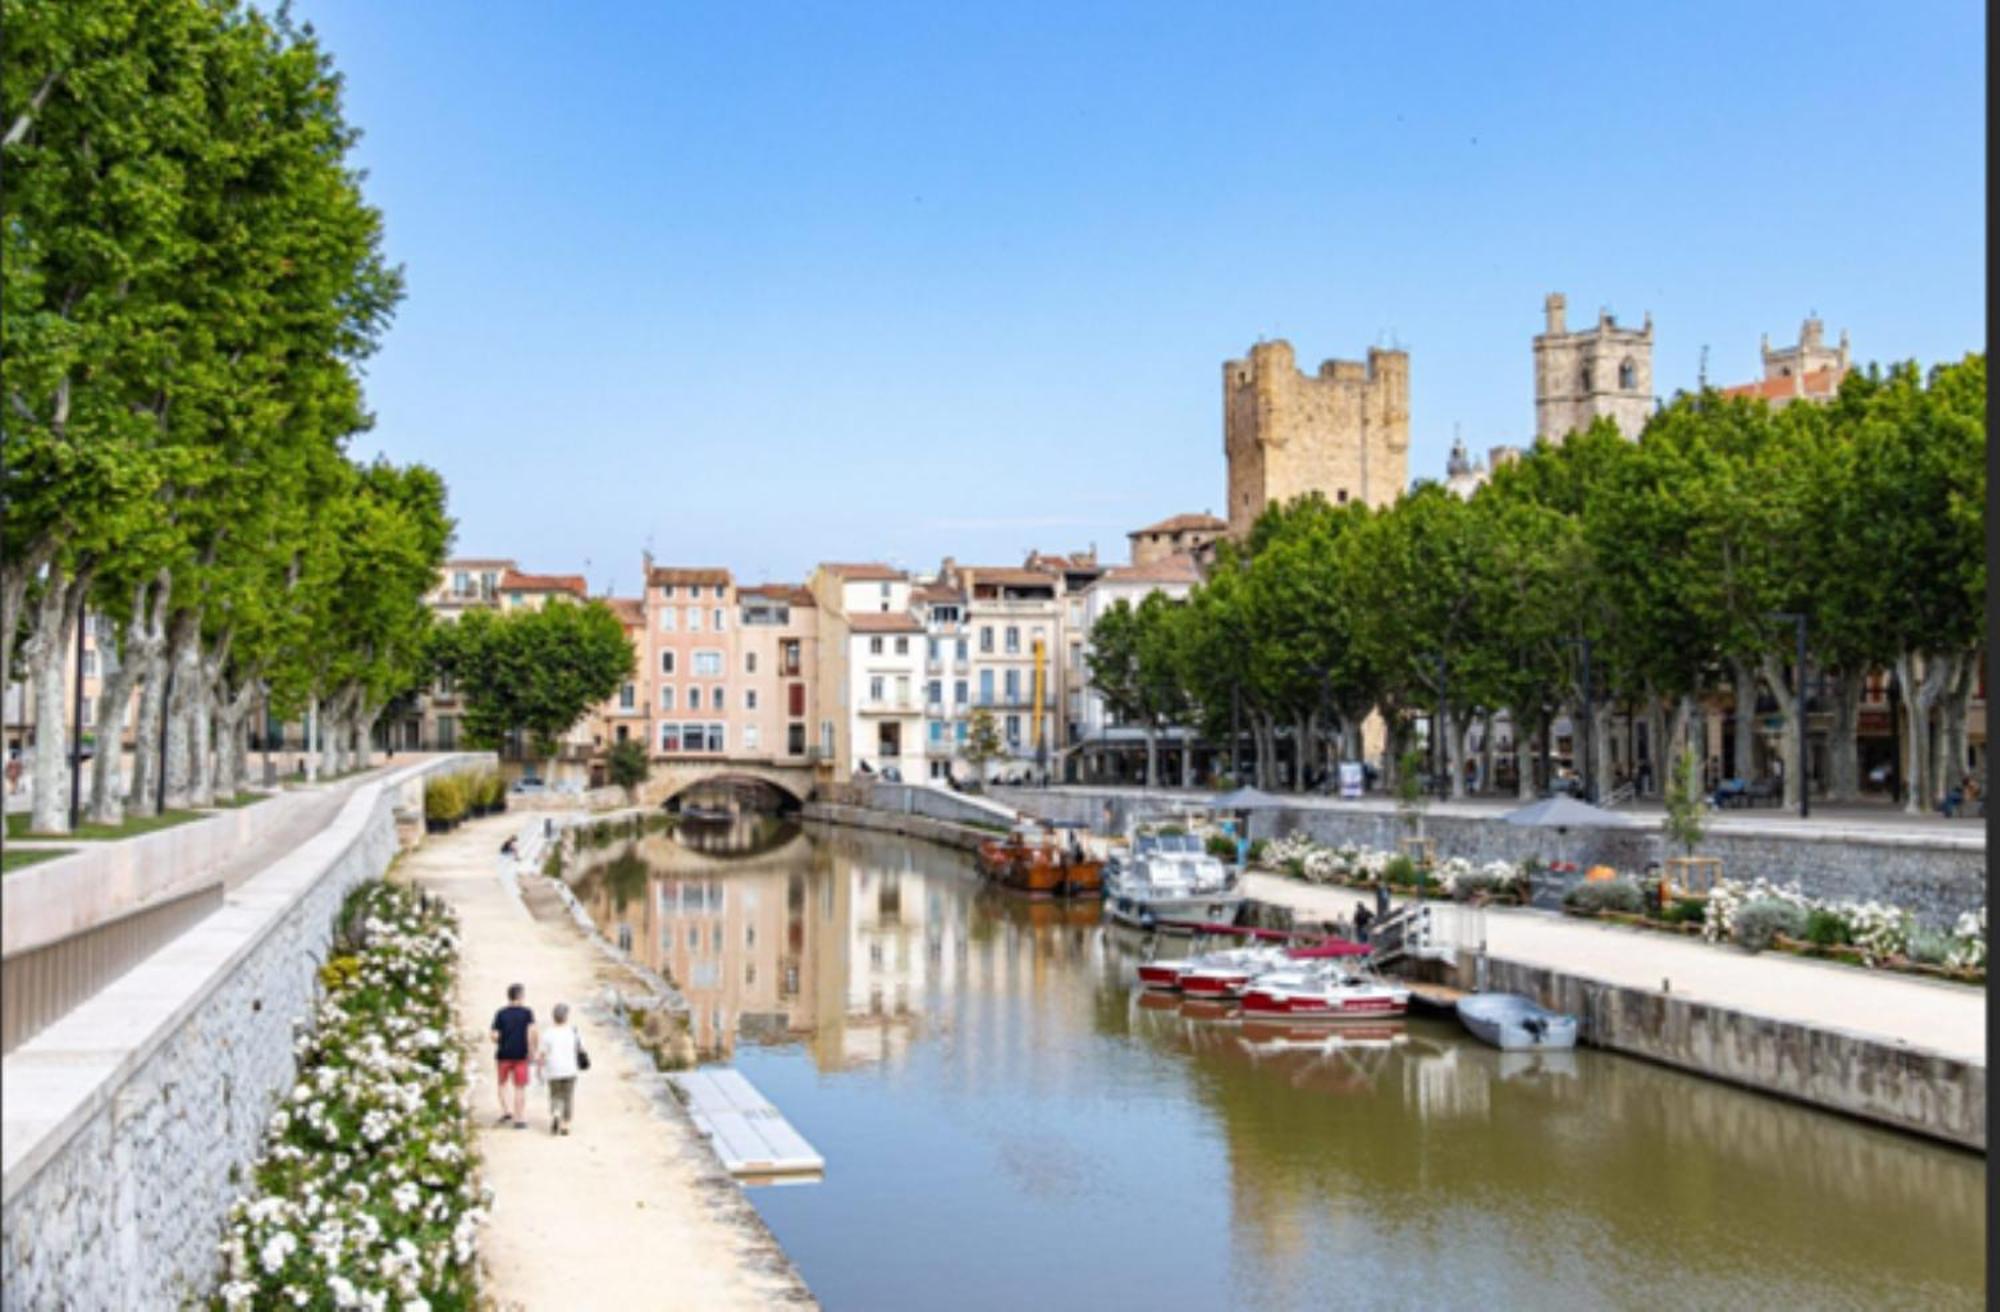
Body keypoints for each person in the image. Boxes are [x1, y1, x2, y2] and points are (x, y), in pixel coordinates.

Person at [490, 983, 538, 1129]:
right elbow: (532, 1032)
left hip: (503, 1054)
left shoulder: (500, 1013)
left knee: (502, 1083)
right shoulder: (527, 1013)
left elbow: (494, 1035)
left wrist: (502, 1041)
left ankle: (506, 1111)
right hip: (520, 1054)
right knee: (519, 1087)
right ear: (521, 996)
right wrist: (532, 1049)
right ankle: (519, 1118)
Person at [538, 1002, 584, 1135]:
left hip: (553, 1069)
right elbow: (580, 1048)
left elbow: (542, 1053)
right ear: (566, 1017)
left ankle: (556, 1113)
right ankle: (565, 1125)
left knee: (555, 1095)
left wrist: (540, 1068)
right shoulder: (573, 1032)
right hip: (570, 1068)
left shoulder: (548, 1033)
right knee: (568, 1096)